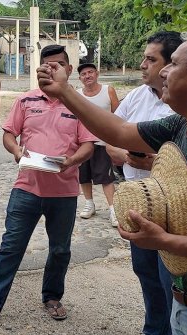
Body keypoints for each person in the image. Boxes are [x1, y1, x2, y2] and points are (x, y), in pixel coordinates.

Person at [38, 23, 187, 335]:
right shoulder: (186, 124)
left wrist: (164, 241)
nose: (164, 72)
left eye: (174, 63)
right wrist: (65, 91)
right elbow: (120, 132)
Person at [0, 44, 95, 327]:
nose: (52, 69)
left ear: (69, 70)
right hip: (26, 189)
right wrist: (17, 152)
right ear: (40, 69)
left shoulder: (79, 106)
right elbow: (9, 134)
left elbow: (88, 146)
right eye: (47, 65)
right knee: (10, 247)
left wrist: (70, 161)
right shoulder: (26, 100)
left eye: (58, 65)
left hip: (64, 192)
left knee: (60, 249)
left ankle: (52, 297)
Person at [99, 31, 182, 335]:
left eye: (151, 58)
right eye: (144, 57)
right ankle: (154, 333)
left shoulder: (182, 106)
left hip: (174, 207)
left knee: (170, 278)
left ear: (170, 65)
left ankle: (176, 334)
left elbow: (182, 159)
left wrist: (150, 162)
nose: (143, 64)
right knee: (146, 273)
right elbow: (111, 139)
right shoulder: (138, 95)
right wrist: (128, 156)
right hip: (137, 203)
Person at [75, 62, 119, 226]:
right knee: (83, 175)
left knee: (106, 177)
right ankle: (89, 204)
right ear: (80, 78)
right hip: (83, 142)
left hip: (103, 142)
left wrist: (116, 141)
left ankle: (113, 209)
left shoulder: (109, 90)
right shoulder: (77, 94)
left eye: (90, 72)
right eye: (84, 74)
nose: (87, 76)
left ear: (97, 73)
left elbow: (118, 115)